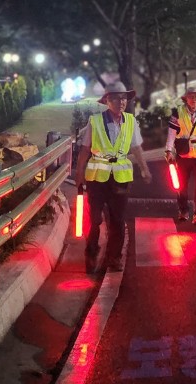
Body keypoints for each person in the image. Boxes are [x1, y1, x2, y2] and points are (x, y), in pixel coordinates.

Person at [76, 81, 152, 274]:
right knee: (94, 219)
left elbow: (136, 147)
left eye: (124, 98)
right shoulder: (95, 122)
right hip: (97, 178)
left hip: (121, 178)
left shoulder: (130, 121)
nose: (121, 102)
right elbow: (85, 149)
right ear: (107, 101)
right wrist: (79, 173)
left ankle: (114, 257)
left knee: (118, 219)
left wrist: (144, 169)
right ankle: (91, 252)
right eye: (117, 98)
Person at [164, 87, 196, 224]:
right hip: (183, 154)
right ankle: (183, 210)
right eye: (191, 97)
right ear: (186, 99)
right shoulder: (177, 112)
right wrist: (169, 150)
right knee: (182, 184)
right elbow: (171, 132)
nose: (194, 100)